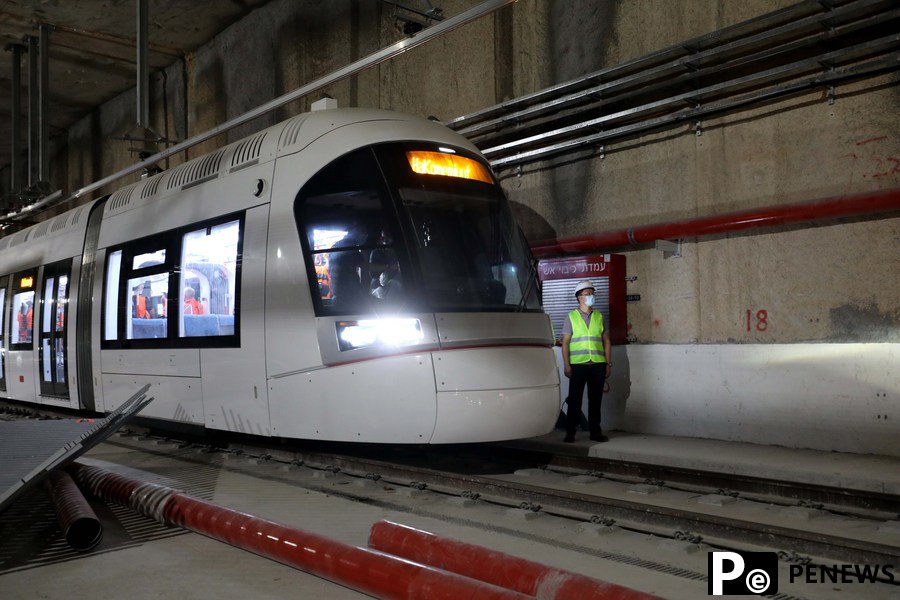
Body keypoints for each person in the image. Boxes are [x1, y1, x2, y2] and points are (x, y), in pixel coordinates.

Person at [561, 280, 612, 443]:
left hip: (598, 364)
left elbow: (607, 341)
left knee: (595, 401)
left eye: (592, 293)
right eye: (587, 294)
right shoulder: (571, 317)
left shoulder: (599, 316)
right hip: (578, 365)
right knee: (575, 400)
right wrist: (567, 365)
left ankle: (595, 432)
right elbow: (565, 343)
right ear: (579, 298)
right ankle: (570, 432)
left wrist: (608, 363)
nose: (591, 296)